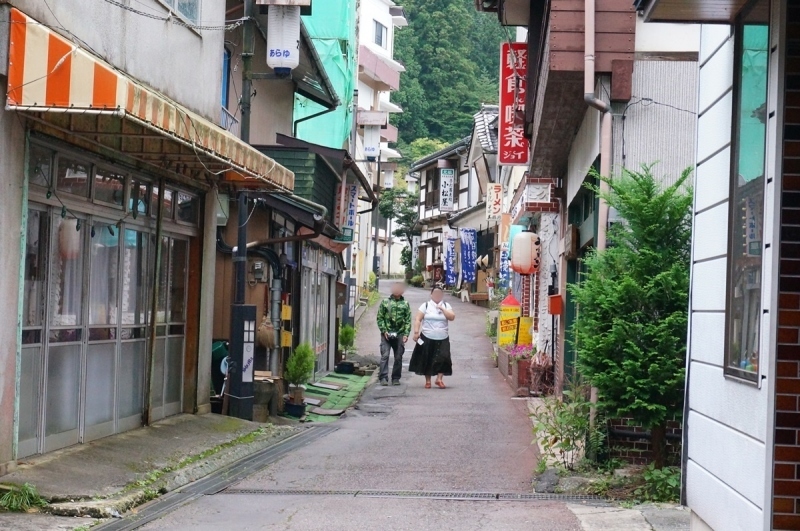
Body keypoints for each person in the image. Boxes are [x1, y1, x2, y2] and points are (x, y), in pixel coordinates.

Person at [409, 287, 455, 389]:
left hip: (443, 336)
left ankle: (439, 379)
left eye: (439, 294)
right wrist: (416, 332)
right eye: (435, 293)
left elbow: (452, 317)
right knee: (427, 358)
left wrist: (443, 309)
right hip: (427, 336)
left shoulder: (446, 305)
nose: (437, 296)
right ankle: (428, 381)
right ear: (431, 295)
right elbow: (418, 319)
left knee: (444, 357)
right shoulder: (425, 305)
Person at [376, 282, 412, 386]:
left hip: (399, 333)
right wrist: (384, 330)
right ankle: (383, 377)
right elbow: (380, 317)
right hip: (386, 334)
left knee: (398, 357)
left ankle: (396, 378)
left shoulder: (405, 304)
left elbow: (408, 320)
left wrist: (406, 334)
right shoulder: (385, 302)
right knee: (385, 355)